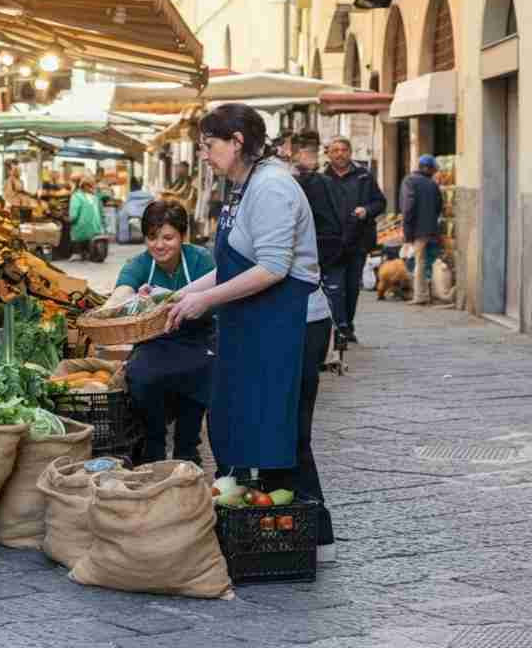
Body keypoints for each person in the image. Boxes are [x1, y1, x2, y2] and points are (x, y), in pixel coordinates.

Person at [165, 103, 322, 493]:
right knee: (258, 430)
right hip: (261, 324)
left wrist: (206, 301)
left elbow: (272, 268)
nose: (204, 155)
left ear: (236, 141)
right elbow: (233, 266)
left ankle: (307, 523)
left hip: (291, 326)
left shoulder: (271, 187)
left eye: (208, 145)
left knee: (285, 439)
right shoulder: (244, 185)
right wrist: (178, 295)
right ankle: (272, 521)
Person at [105, 200, 216, 464]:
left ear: (183, 236)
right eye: (152, 237)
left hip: (197, 336)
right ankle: (153, 441)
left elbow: (216, 296)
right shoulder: (139, 264)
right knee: (140, 375)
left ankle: (187, 447)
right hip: (154, 340)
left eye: (168, 237)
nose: (159, 245)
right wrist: (113, 307)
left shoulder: (201, 259)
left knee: (205, 370)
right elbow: (121, 293)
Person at [288, 133, 341, 560]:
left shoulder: (296, 187)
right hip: (290, 317)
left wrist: (310, 270)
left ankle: (317, 530)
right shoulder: (265, 187)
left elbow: (331, 237)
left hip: (304, 316)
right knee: (289, 431)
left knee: (295, 432)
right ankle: (300, 528)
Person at [324, 136, 386, 342]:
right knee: (335, 287)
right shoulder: (322, 178)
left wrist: (366, 210)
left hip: (358, 240)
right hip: (331, 242)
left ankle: (347, 324)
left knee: (351, 287)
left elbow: (380, 202)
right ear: (328, 154)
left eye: (343, 150)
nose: (339, 154)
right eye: (335, 150)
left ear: (350, 153)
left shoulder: (364, 176)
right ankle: (340, 327)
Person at [292, 132, 349, 344]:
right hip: (321, 244)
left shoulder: (317, 181)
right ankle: (335, 334)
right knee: (330, 291)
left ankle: (336, 332)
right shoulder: (301, 181)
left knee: (331, 291)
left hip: (325, 244)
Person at [401, 155, 444, 305]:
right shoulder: (433, 184)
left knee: (419, 262)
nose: (433, 172)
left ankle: (420, 296)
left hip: (417, 230)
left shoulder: (410, 181)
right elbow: (439, 207)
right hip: (430, 230)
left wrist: (407, 232)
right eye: (433, 169)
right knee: (425, 262)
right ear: (427, 168)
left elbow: (408, 207)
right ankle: (425, 293)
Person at [68, 177, 104, 258]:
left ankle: (78, 253)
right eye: (91, 186)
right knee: (88, 239)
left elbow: (74, 213)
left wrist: (71, 220)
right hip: (94, 227)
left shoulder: (76, 196)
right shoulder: (95, 197)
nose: (92, 188)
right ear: (85, 186)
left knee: (77, 236)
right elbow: (101, 212)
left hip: (81, 226)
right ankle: (87, 253)